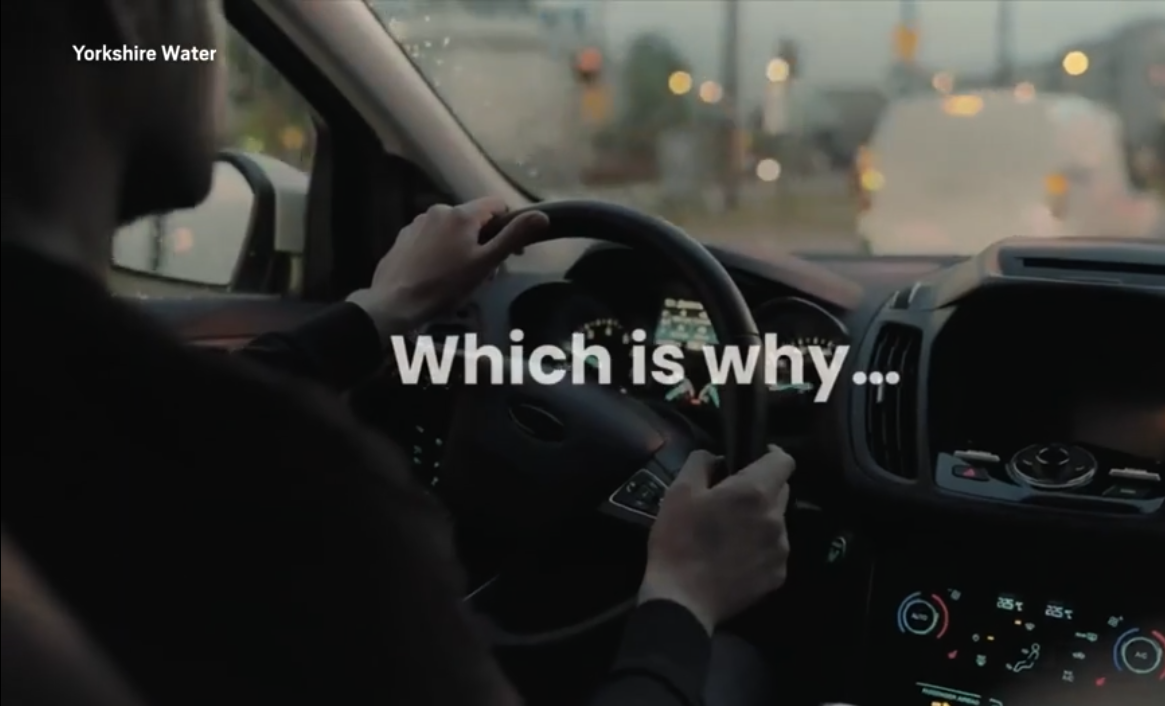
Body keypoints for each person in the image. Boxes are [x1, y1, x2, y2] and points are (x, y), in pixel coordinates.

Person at [0, 2, 794, 706]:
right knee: (734, 669)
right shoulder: (281, 484)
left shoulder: (100, 429)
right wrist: (680, 595)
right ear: (127, 23)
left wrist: (376, 314)